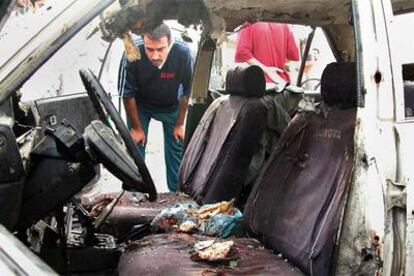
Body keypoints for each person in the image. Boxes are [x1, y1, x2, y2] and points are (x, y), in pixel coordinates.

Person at [118, 23, 192, 192]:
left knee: (177, 146)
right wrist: (136, 128)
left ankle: (177, 194)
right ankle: (134, 193)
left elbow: (188, 91)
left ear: (170, 43)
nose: (155, 55)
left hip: (171, 105)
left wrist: (180, 124)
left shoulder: (183, 52)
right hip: (141, 107)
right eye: (149, 49)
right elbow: (126, 93)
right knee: (135, 147)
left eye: (160, 49)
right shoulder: (133, 51)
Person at [235, 22, 300, 88]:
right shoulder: (284, 24)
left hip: (257, 85)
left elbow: (242, 52)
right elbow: (294, 55)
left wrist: (266, 69)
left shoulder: (248, 22)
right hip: (280, 82)